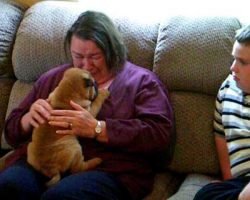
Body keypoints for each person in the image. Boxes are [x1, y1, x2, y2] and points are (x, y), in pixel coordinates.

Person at [0, 11, 174, 200]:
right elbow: (10, 131)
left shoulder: (142, 82)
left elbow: (159, 136)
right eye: (78, 56)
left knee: (61, 197)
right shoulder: (56, 78)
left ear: (112, 51)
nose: (86, 65)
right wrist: (27, 120)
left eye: (95, 57)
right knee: (9, 186)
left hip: (107, 168)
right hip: (43, 160)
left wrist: (98, 128)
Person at [194, 25, 250, 200]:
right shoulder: (227, 89)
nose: (233, 67)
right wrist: (228, 183)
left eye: (242, 62)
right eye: (234, 59)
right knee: (206, 194)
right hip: (241, 183)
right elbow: (221, 137)